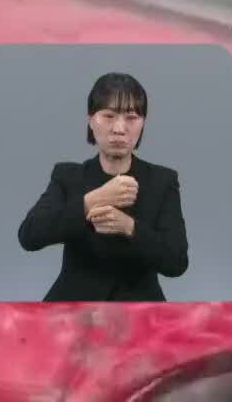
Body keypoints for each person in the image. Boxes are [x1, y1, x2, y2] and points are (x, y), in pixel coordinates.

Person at [17, 72, 188, 302]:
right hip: (73, 309)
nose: (119, 128)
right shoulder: (68, 176)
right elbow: (29, 236)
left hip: (140, 312)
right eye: (108, 116)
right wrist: (94, 200)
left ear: (143, 123)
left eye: (131, 117)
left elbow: (177, 262)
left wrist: (130, 227)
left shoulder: (162, 180)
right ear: (90, 120)